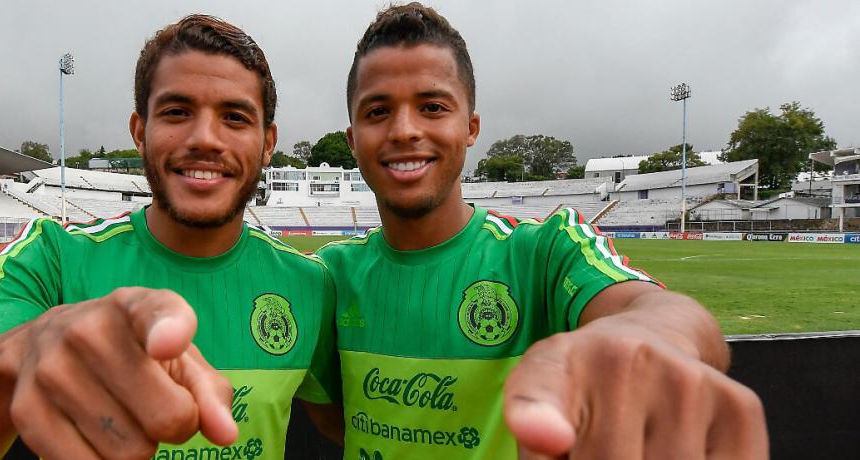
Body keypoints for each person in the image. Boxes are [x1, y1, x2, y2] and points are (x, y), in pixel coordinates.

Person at [316, 3, 767, 459]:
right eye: (378, 111)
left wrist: (647, 342)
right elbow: (336, 415)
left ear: (470, 127)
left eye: (432, 107)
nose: (404, 130)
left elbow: (665, 312)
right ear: (352, 139)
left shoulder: (545, 250)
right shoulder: (328, 276)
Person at [0, 15, 339, 460]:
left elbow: (343, 421)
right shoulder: (53, 258)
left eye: (235, 117)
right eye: (177, 112)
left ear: (268, 142)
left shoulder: (309, 282)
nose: (205, 138)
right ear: (140, 132)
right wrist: (21, 351)